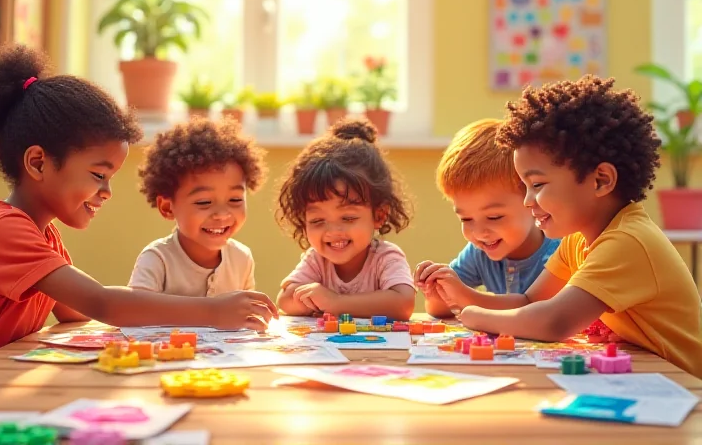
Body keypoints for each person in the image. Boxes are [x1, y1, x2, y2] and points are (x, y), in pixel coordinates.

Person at [0, 46, 277, 383]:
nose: (106, 192)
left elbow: (77, 312)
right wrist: (212, 311)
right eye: (98, 175)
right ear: (38, 162)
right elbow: (101, 303)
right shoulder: (5, 231)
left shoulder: (42, 234)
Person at [435, 76, 702, 378]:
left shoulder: (628, 241)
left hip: (685, 388)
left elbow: (554, 322)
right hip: (647, 377)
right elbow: (530, 301)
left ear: (601, 180)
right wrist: (464, 296)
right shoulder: (578, 239)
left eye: (537, 184)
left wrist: (475, 316)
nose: (527, 200)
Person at [414, 119, 560, 317]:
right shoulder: (478, 253)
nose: (479, 232)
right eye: (466, 219)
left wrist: (464, 295)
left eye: (494, 217)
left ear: (531, 199)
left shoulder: (560, 252)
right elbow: (441, 311)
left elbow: (537, 310)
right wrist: (436, 293)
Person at [276, 119, 415, 319]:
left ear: (379, 215)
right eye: (317, 221)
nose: (332, 231)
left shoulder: (385, 258)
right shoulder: (317, 259)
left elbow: (403, 304)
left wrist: (335, 303)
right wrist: (310, 297)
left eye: (348, 218)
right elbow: (285, 300)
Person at [129, 117, 266, 296]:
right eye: (204, 202)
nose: (222, 215)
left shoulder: (242, 258)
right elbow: (137, 309)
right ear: (167, 207)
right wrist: (211, 312)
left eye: (235, 200)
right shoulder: (158, 259)